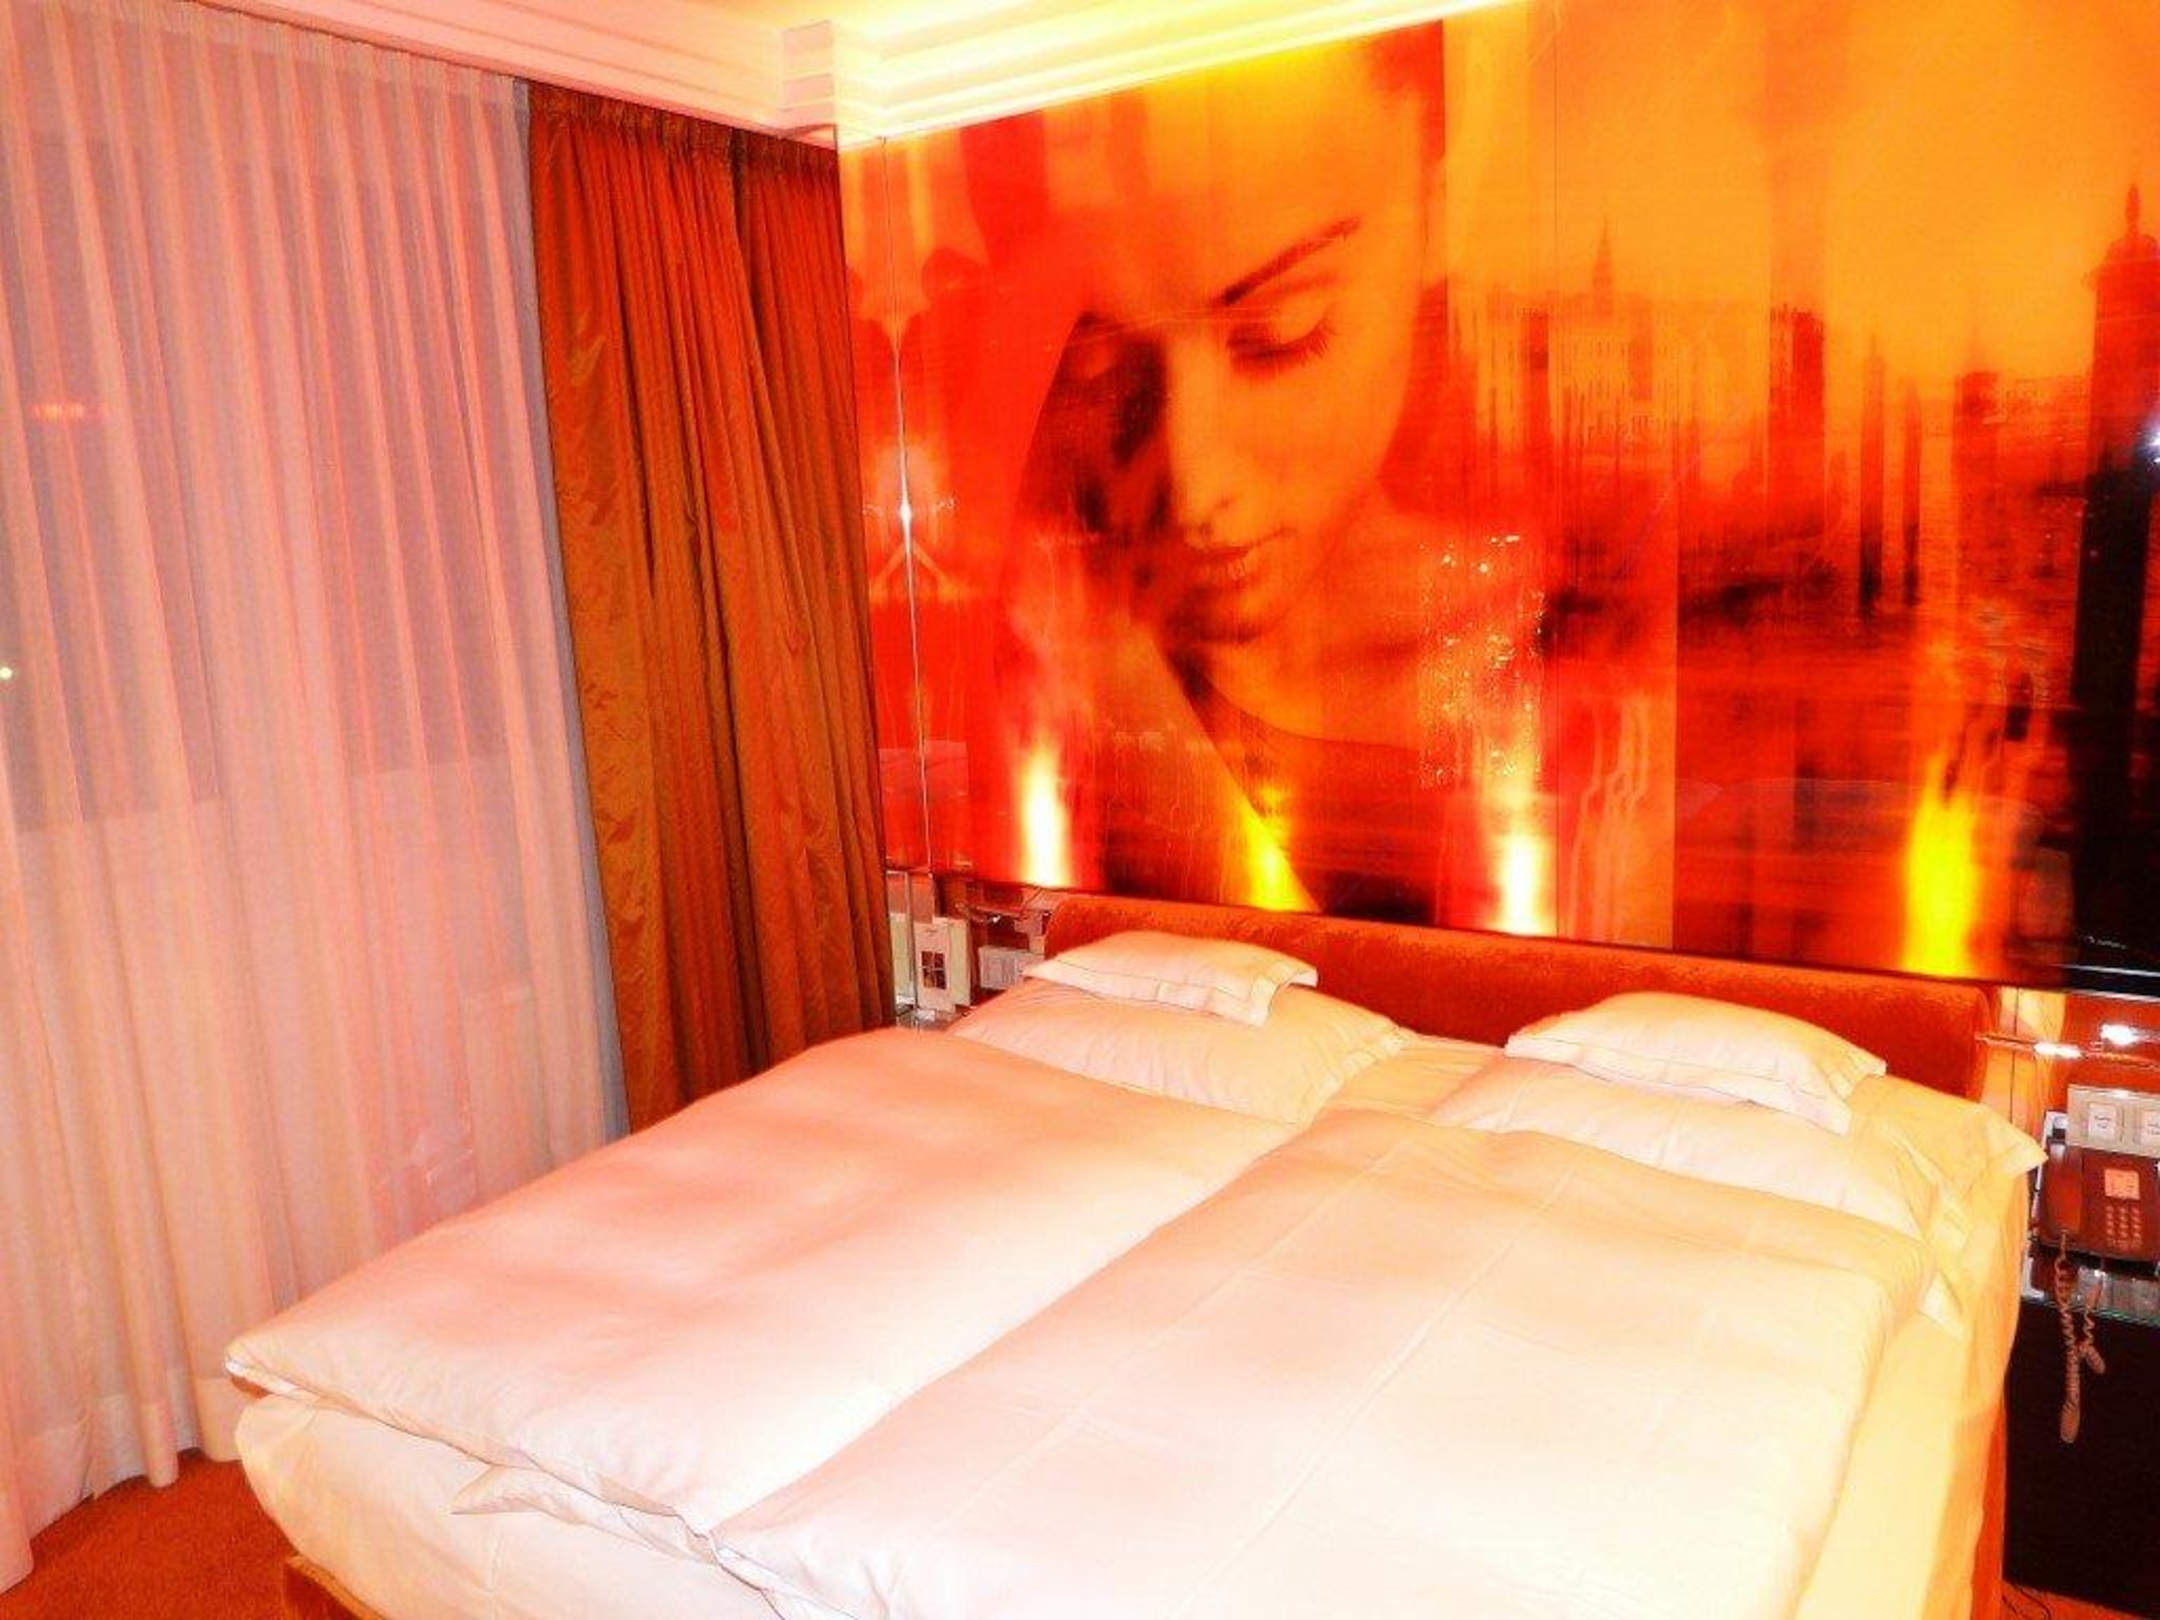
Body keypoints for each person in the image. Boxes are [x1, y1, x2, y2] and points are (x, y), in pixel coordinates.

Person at [975, 25, 1534, 922]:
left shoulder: (1547, 656)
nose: (1196, 491)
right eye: (1118, 371)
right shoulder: (1069, 638)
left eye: (1282, 334)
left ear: (1433, 213)